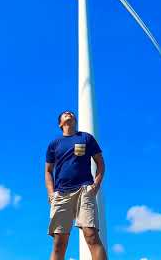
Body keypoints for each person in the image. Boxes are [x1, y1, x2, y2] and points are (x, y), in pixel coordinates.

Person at [45, 110, 107, 260]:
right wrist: (51, 193)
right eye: (65, 113)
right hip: (61, 193)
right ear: (60, 123)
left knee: (91, 234)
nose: (69, 113)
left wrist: (96, 185)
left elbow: (100, 163)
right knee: (59, 242)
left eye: (71, 113)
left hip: (84, 189)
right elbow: (48, 171)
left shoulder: (86, 138)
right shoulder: (54, 144)